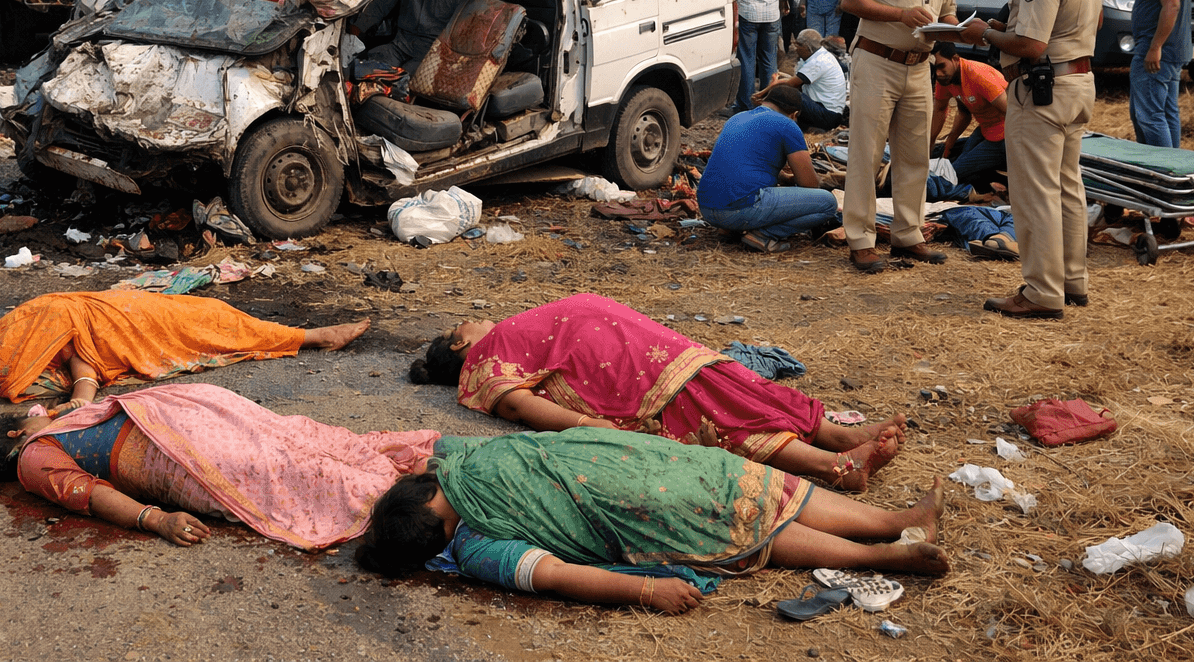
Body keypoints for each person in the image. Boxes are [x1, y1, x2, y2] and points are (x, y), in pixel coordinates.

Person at [354, 428, 951, 611]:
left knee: (750, 532)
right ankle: (890, 522)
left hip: (646, 509)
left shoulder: (476, 547)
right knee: (760, 489)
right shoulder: (469, 461)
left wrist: (646, 585)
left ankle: (882, 551)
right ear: (421, 488)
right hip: (646, 467)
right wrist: (648, 590)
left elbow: (555, 573)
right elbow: (560, 576)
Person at [409, 293, 906, 491]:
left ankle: (839, 435)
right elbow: (517, 403)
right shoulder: (481, 360)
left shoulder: (500, 336)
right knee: (716, 412)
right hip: (629, 377)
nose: (475, 318)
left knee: (736, 383)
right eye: (465, 322)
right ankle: (835, 468)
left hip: (649, 348)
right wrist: (588, 426)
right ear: (460, 342)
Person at [0, 383, 440, 551]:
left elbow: (48, 418)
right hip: (177, 441)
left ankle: (410, 494)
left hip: (180, 437)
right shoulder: (32, 456)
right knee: (294, 455)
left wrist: (156, 518)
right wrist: (155, 519)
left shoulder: (43, 433)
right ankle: (411, 492)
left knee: (293, 454)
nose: (38, 412)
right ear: (15, 436)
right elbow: (88, 494)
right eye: (27, 419)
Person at [961, 0, 1100, 319]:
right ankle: (1071, 280)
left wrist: (986, 34)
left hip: (1042, 88)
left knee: (1035, 193)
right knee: (1066, 187)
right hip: (1076, 82)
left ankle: (1041, 291)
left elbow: (1031, 45)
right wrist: (1006, 29)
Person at [0, 289, 370, 403]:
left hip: (130, 322)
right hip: (122, 323)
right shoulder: (4, 345)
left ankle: (314, 337)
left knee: (216, 320)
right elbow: (74, 356)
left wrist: (80, 399)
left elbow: (76, 347)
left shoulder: (8, 344)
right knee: (219, 327)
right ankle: (312, 337)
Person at [839, 0, 969, 273]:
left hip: (919, 68)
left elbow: (948, 11)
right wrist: (901, 14)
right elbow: (851, 0)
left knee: (914, 154)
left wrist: (954, 25)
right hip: (878, 62)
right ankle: (861, 240)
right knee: (867, 152)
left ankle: (908, 233)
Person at [700, 83, 843, 251]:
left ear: (766, 101)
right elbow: (809, 184)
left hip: (707, 208)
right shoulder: (787, 125)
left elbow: (745, 163)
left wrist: (783, 177)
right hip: (738, 209)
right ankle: (765, 236)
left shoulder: (737, 117)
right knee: (827, 203)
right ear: (794, 114)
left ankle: (728, 229)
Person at [1125, 0, 1190, 147]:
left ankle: (1162, 173)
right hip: (1168, 51)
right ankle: (1173, 169)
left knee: (1149, 116)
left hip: (1156, 51)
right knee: (1165, 112)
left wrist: (1155, 47)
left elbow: (1171, 4)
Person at [929, 42, 1008, 192]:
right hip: (986, 129)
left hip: (1004, 135)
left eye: (941, 66)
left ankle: (1002, 180)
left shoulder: (979, 76)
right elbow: (957, 112)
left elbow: (1011, 113)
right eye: (934, 68)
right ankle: (993, 181)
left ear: (955, 59)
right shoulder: (946, 79)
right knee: (955, 159)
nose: (938, 73)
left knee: (952, 174)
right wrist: (942, 143)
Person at [772, 29, 847, 131]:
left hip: (828, 115)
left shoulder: (818, 61)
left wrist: (764, 92)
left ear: (807, 47)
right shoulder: (820, 55)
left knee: (787, 94)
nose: (796, 49)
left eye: (798, 45)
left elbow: (791, 83)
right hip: (828, 111)